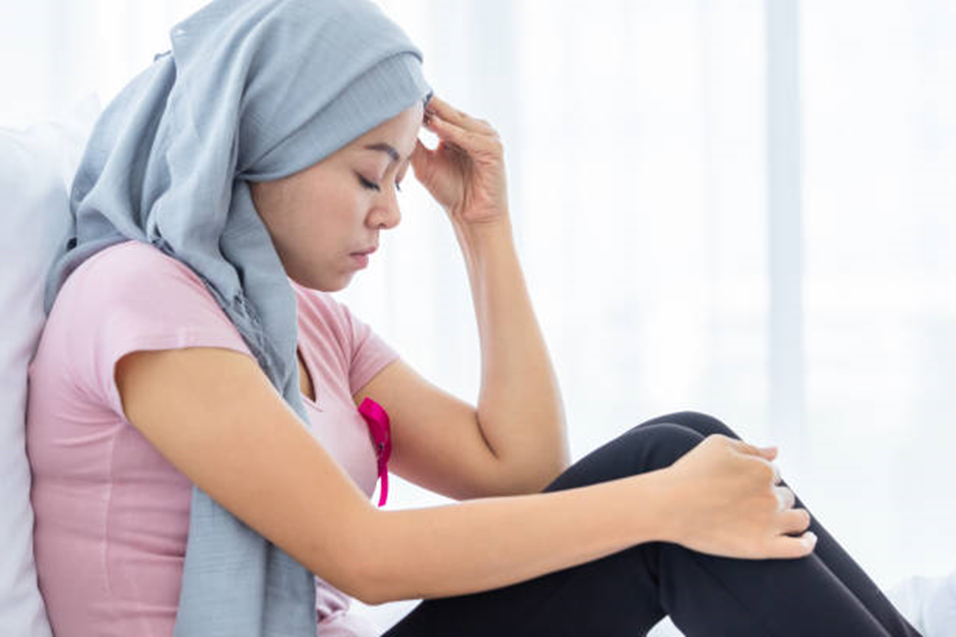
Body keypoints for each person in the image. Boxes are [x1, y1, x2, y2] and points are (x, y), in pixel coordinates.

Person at [25, 0, 921, 635]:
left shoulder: (304, 322)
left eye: (398, 181)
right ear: (265, 141)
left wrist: (483, 230)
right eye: (368, 174)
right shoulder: (136, 293)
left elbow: (519, 470)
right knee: (666, 476)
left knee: (683, 445)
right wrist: (665, 504)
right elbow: (362, 555)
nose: (390, 212)